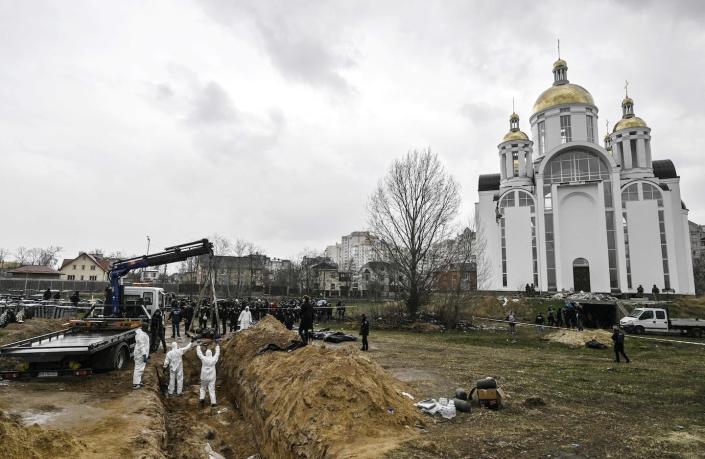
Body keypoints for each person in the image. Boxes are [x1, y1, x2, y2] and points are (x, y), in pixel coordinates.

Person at [197, 341, 220, 407]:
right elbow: (217, 354)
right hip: (211, 377)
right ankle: (213, 402)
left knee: (203, 388)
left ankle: (202, 398)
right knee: (211, 389)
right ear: (211, 354)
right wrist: (217, 345)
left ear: (206, 354)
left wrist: (198, 346)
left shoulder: (204, 359)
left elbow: (199, 354)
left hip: (204, 376)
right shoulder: (213, 359)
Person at [133, 324, 150, 389]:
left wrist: (147, 354)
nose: (148, 328)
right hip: (140, 354)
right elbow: (141, 346)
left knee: (140, 368)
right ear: (144, 328)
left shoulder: (142, 333)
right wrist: (144, 355)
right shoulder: (140, 335)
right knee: (138, 368)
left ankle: (138, 382)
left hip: (141, 354)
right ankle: (135, 384)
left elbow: (146, 345)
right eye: (147, 327)